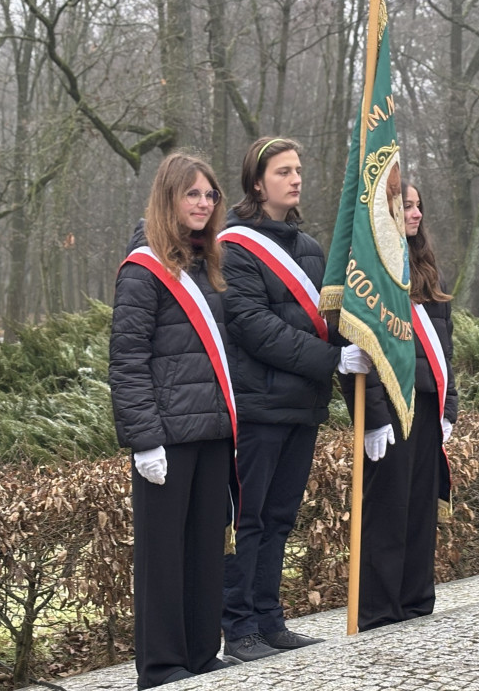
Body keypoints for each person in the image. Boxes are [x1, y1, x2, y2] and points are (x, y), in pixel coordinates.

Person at [218, 136, 371, 662]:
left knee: (281, 519)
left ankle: (270, 620)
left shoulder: (310, 248)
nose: (296, 178)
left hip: (303, 406)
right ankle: (239, 629)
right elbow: (253, 326)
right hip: (257, 407)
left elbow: (326, 320)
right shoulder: (234, 247)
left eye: (298, 169)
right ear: (257, 183)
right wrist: (332, 360)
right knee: (249, 520)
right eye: (283, 171)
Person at [109, 153, 236, 689]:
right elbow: (128, 361)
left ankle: (202, 655)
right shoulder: (144, 270)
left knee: (206, 549)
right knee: (162, 556)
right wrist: (144, 441)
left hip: (212, 432)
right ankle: (162, 666)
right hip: (166, 437)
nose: (203, 204)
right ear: (169, 199)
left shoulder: (209, 264)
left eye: (209, 195)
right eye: (192, 194)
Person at [342, 181, 457, 631]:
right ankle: (379, 611)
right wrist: (372, 417)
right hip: (390, 403)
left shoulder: (429, 270)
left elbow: (446, 347)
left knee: (420, 508)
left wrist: (449, 408)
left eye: (418, 206)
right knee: (387, 508)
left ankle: (415, 603)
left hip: (428, 402)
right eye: (406, 206)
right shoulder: (369, 273)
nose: (416, 213)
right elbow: (361, 351)